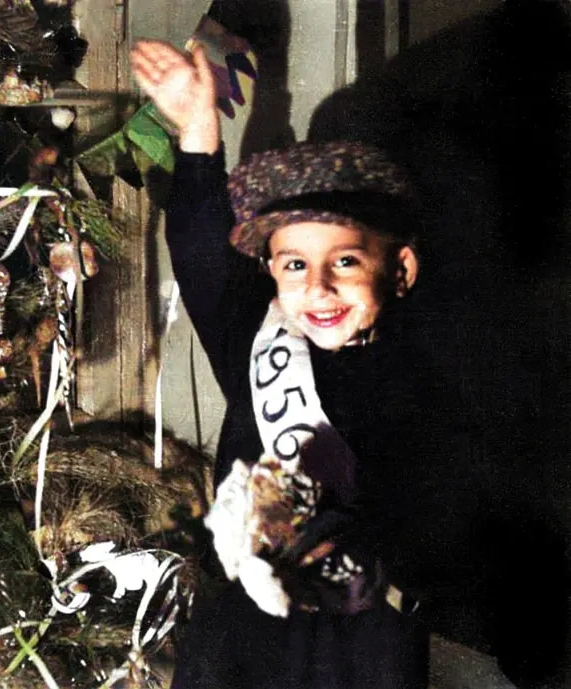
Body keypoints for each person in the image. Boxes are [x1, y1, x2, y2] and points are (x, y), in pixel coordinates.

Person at [131, 39, 435, 688]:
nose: (317, 288)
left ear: (400, 269)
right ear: (271, 269)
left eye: (345, 261)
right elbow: (202, 253)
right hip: (238, 642)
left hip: (359, 652)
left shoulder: (425, 370)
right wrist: (197, 129)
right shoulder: (258, 336)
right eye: (295, 264)